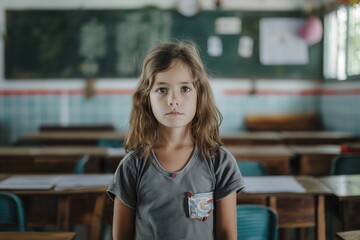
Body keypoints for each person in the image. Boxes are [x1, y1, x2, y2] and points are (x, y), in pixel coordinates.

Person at [107, 40, 244, 240]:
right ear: (147, 98)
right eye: (162, 89)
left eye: (185, 89)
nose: (173, 99)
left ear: (200, 95)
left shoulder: (220, 162)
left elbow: (226, 234)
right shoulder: (132, 166)